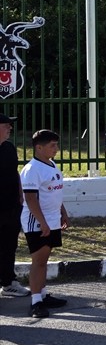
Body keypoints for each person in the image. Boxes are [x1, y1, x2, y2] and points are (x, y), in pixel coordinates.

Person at [20, 129, 68, 318]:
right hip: (38, 222)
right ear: (39, 147)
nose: (56, 149)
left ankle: (43, 294)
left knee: (45, 260)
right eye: (52, 146)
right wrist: (43, 223)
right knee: (38, 262)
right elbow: (30, 199)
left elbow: (55, 191)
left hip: (52, 219)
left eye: (56, 145)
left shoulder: (51, 164)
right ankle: (36, 302)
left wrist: (63, 212)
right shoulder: (32, 170)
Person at [0, 114, 30, 298]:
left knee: (9, 245)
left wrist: (21, 195)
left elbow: (14, 172)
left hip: (11, 206)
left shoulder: (9, 148)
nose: (10, 127)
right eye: (6, 125)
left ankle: (8, 282)